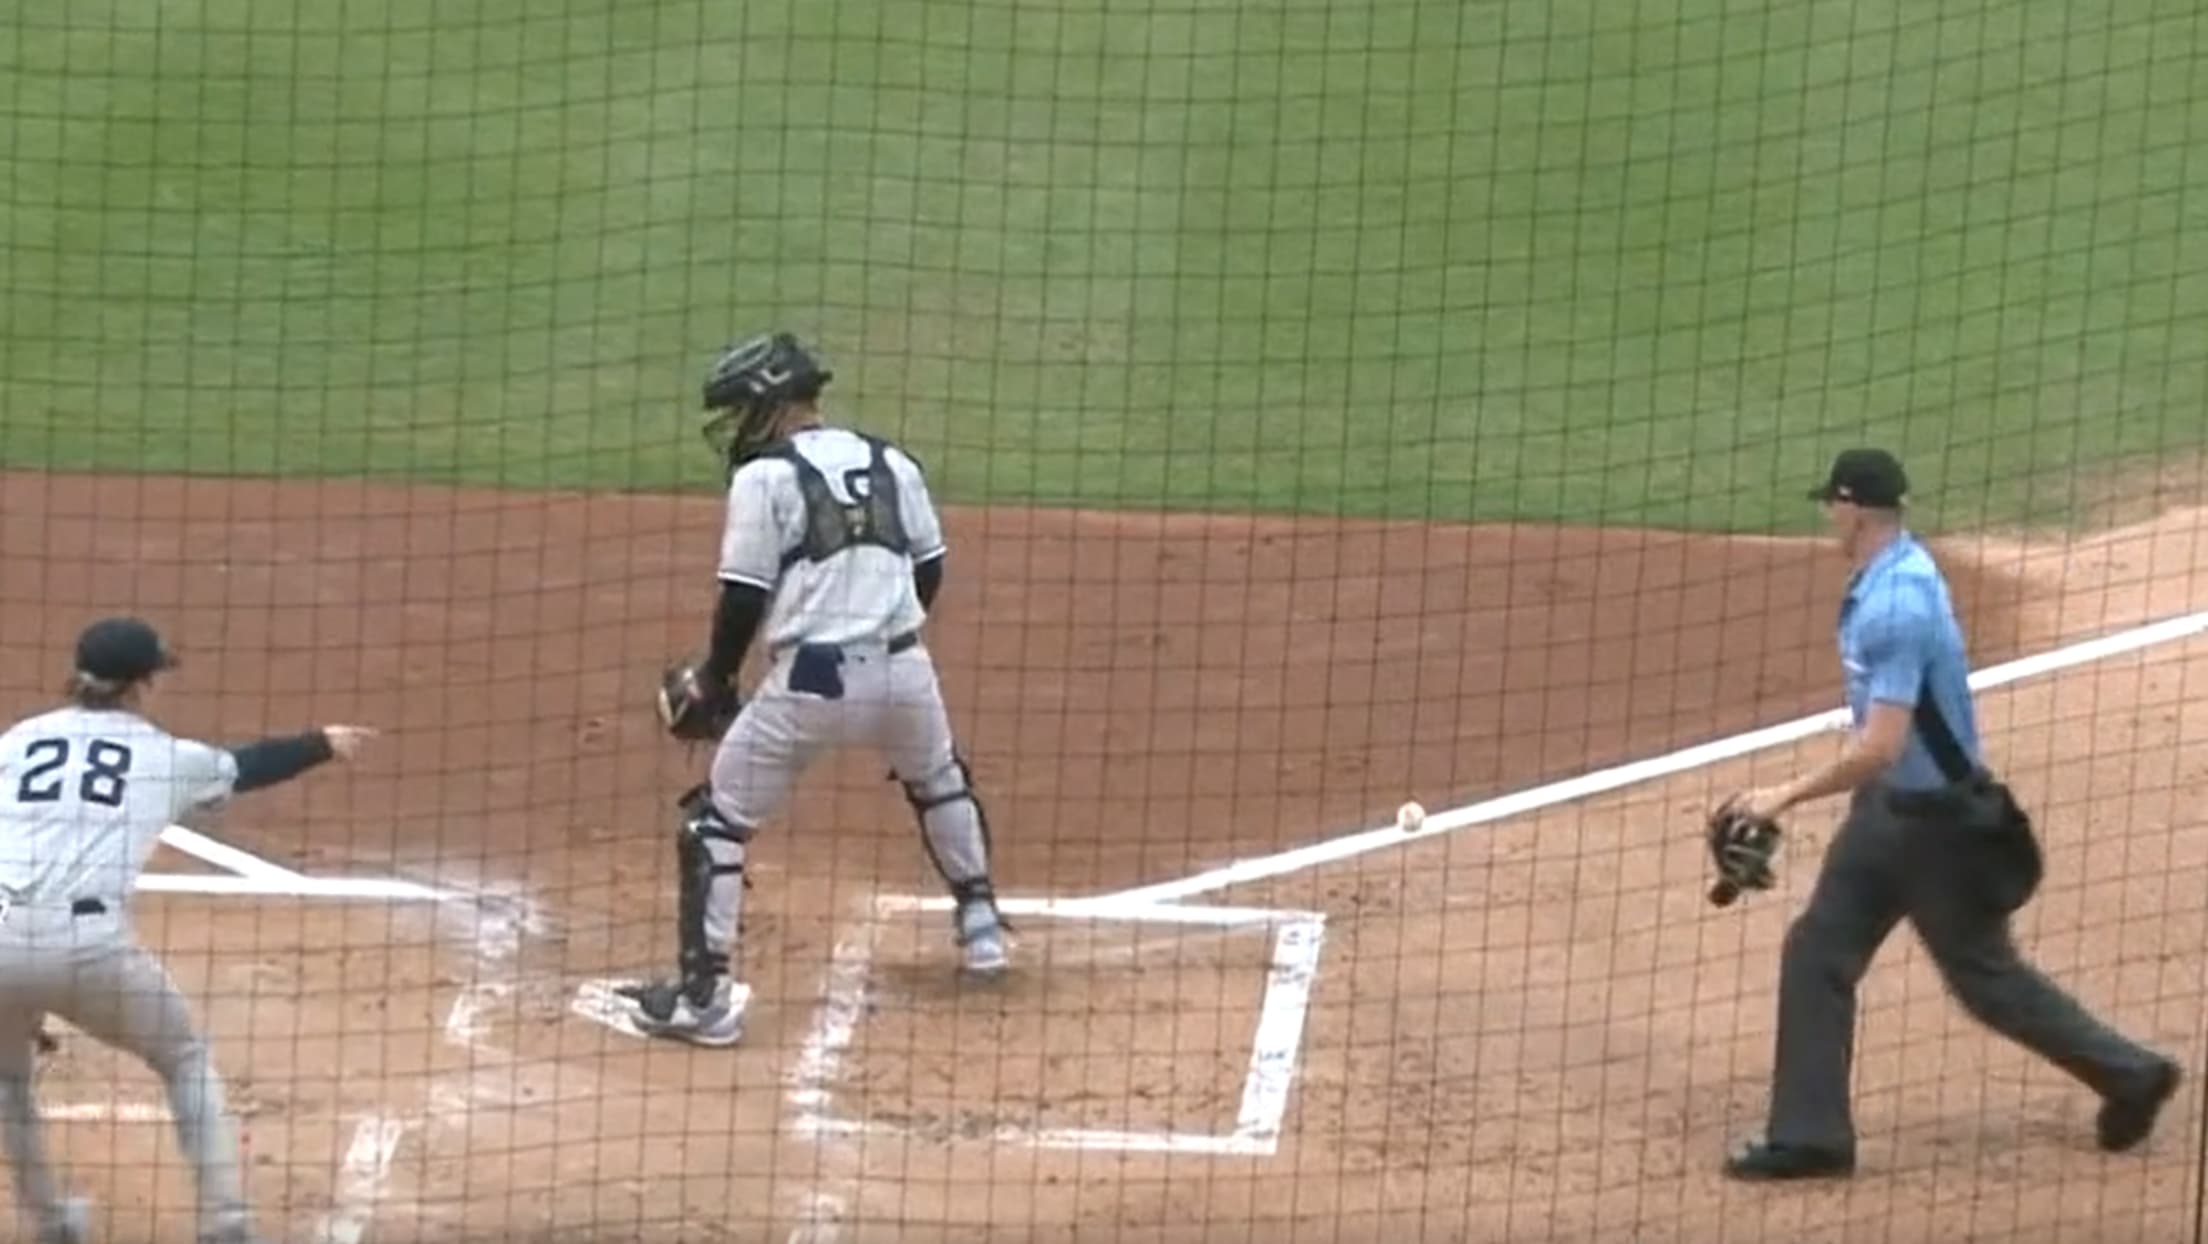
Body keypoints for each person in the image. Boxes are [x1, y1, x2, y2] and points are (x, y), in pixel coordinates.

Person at [1720, 448, 2182, 1180]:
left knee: (1986, 980)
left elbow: (1881, 744)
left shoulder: (1896, 604)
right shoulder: (1892, 571)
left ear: (1854, 508)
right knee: (1818, 952)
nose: (1827, 517)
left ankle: (2131, 1073)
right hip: (1891, 813)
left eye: (1831, 505)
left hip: (1937, 829)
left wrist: (1782, 796)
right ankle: (1812, 1137)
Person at [621, 331, 1010, 1048]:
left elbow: (742, 597)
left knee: (716, 823)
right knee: (937, 778)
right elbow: (928, 571)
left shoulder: (763, 478)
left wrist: (716, 678)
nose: (735, 426)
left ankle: (704, 1002)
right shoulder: (892, 459)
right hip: (905, 666)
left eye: (741, 410)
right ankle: (982, 925)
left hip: (818, 675)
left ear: (770, 403)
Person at [0, 617, 375, 1243]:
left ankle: (52, 1223)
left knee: (8, 1079)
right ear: (141, 685)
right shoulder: (165, 758)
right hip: (91, 949)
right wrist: (322, 741)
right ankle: (226, 1225)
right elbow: (246, 767)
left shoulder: (18, 742)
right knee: (186, 1059)